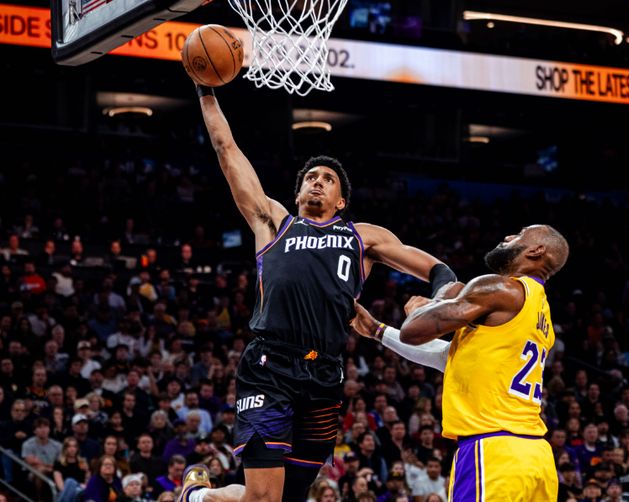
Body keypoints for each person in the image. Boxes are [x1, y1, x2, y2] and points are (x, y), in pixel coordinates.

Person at [177, 82, 457, 502]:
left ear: (341, 201)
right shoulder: (274, 222)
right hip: (269, 366)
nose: (318, 182)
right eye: (311, 177)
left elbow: (437, 269)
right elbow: (226, 148)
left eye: (328, 179)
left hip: (324, 372)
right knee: (265, 498)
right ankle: (197, 497)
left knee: (287, 498)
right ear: (297, 193)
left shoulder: (362, 237)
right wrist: (205, 90)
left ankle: (200, 496)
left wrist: (437, 298)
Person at [353, 224, 569, 500]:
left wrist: (425, 305)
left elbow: (413, 331)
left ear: (537, 250)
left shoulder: (500, 287)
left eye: (520, 234)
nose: (508, 236)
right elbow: (450, 358)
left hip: (493, 451)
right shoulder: (542, 316)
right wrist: (377, 331)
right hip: (536, 458)